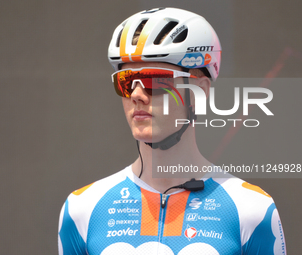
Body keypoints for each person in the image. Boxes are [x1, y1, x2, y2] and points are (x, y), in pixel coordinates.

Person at [58, 7, 287, 255]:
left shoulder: (253, 210)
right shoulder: (81, 209)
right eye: (126, 82)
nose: (136, 95)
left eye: (154, 80)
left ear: (200, 91)